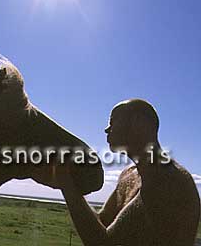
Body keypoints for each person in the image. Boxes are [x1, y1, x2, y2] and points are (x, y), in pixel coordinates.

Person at [59, 99, 200, 246]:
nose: (106, 129)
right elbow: (102, 221)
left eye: (113, 121)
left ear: (139, 125)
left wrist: (66, 184)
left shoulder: (168, 181)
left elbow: (101, 242)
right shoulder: (129, 174)